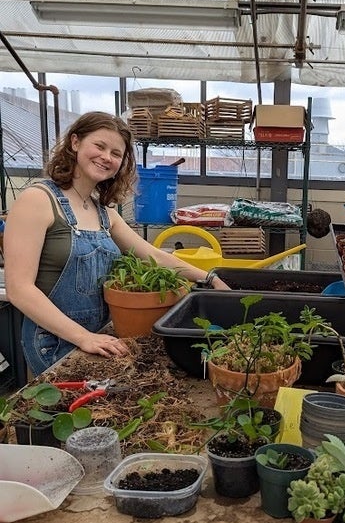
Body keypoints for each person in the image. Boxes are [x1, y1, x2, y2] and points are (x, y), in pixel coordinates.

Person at [4, 111, 230, 376]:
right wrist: (83, 337)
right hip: (55, 342)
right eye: (99, 146)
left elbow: (153, 256)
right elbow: (19, 289)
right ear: (75, 143)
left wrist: (210, 278)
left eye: (116, 153)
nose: (106, 157)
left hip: (99, 337)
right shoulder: (38, 200)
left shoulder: (104, 214)